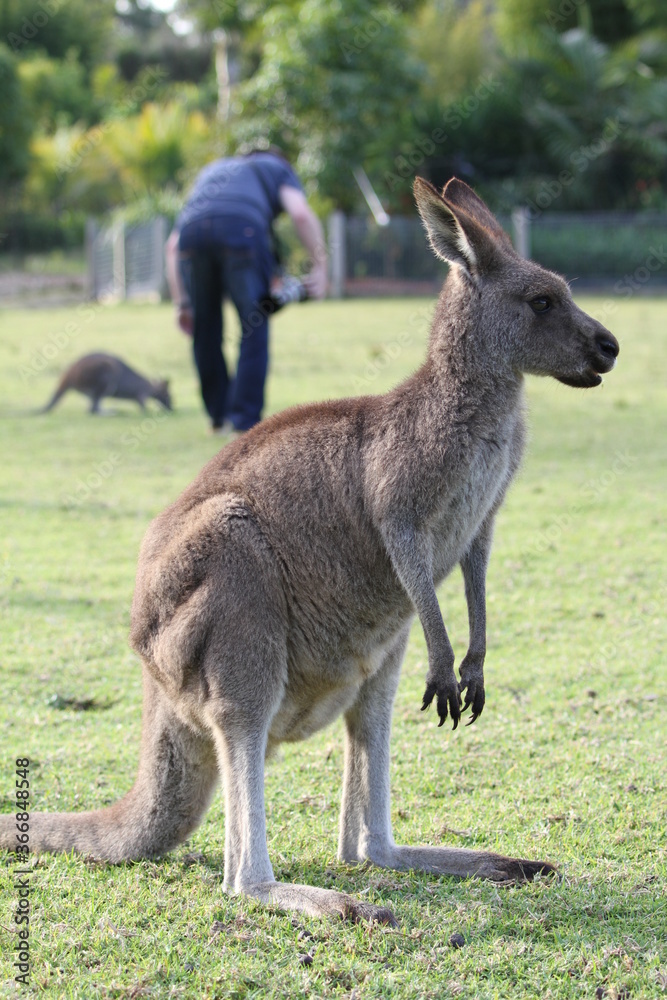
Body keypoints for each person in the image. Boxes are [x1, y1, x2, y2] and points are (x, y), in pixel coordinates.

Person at [165, 147, 327, 434]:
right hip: (242, 231)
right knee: (254, 324)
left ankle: (218, 417)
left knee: (205, 330)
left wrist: (183, 304)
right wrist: (321, 267)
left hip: (193, 236)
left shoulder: (212, 170)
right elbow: (300, 214)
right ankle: (244, 421)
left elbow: (172, 246)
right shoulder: (277, 167)